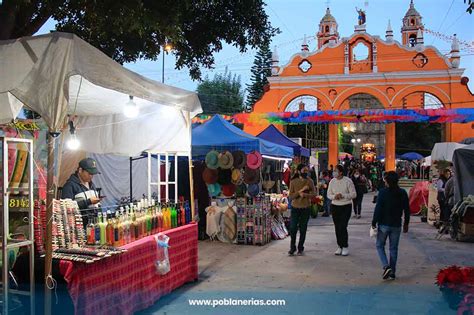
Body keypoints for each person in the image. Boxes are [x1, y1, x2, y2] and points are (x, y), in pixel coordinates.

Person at [372, 171, 410, 281]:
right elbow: (407, 209)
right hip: (396, 224)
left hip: (384, 223)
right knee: (393, 249)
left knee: (379, 245)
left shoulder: (383, 192)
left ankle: (386, 266)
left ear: (387, 181)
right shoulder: (402, 193)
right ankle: (392, 271)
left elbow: (378, 208)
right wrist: (406, 223)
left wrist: (374, 222)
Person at [62, 158, 101, 228]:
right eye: (89, 173)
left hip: (93, 226)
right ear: (80, 170)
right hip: (78, 229)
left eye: (93, 174)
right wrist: (89, 201)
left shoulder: (92, 185)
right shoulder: (69, 186)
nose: (91, 176)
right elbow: (66, 208)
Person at [327, 164, 357, 256]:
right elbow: (329, 194)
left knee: (343, 226)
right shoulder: (332, 181)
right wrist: (334, 196)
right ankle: (339, 246)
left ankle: (345, 246)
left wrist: (343, 195)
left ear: (341, 172)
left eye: (336, 171)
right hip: (335, 206)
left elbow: (353, 194)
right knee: (337, 226)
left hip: (345, 206)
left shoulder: (348, 181)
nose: (334, 172)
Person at [288, 164, 316, 256]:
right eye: (304, 171)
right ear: (299, 171)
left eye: (307, 171)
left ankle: (300, 247)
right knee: (292, 228)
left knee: (303, 229)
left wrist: (306, 195)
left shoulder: (310, 181)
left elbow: (314, 194)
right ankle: (292, 247)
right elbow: (291, 196)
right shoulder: (293, 181)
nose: (306, 172)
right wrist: (299, 193)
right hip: (295, 208)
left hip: (305, 208)